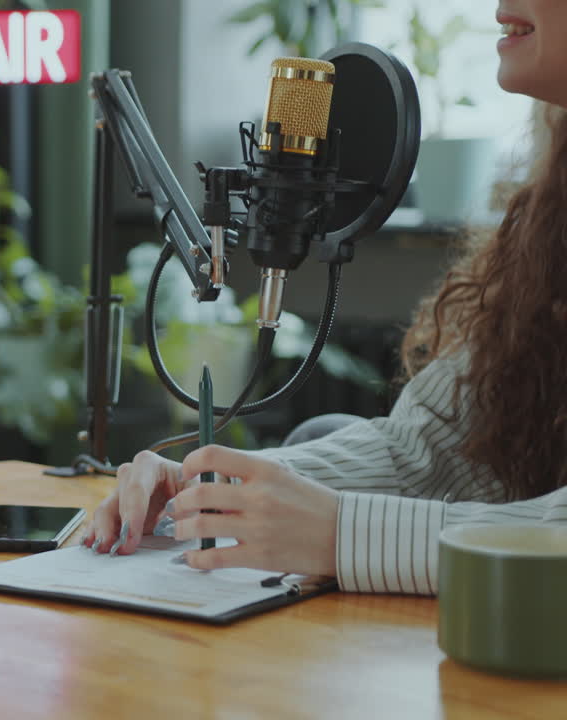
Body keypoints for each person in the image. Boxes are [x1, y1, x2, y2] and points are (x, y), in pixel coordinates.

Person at [84, 0, 567, 595]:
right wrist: (211, 488)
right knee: (317, 437)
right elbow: (426, 450)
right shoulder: (552, 222)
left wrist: (341, 532)